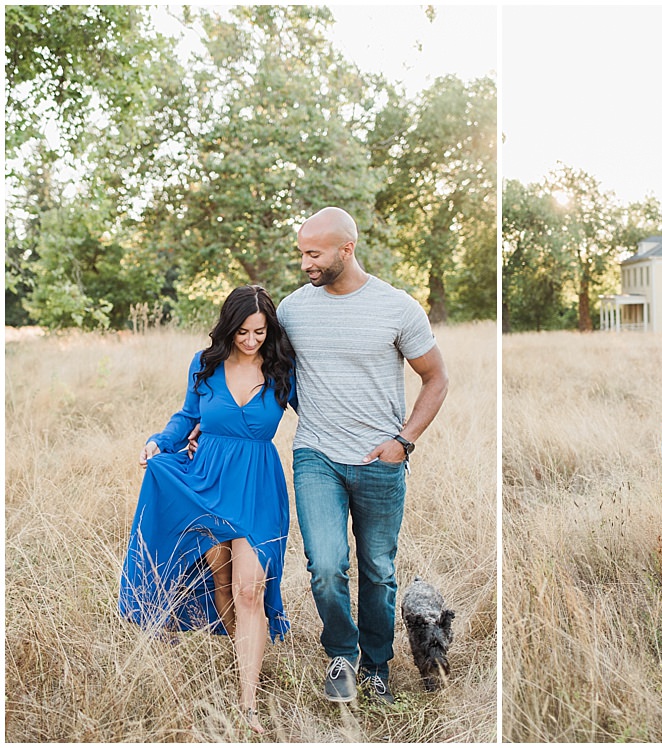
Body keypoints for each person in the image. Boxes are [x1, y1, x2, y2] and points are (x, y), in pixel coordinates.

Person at [277, 206, 448, 705]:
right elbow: (265, 371)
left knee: (378, 569)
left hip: (380, 461)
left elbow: (436, 378)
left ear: (345, 249)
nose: (305, 263)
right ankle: (341, 658)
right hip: (316, 456)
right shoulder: (291, 309)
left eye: (314, 253)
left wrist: (404, 441)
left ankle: (376, 667)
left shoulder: (396, 308)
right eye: (301, 253)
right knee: (326, 566)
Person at [118, 285, 296, 734]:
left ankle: (248, 705)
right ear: (228, 327)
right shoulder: (205, 364)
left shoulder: (282, 368)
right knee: (221, 583)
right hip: (208, 481)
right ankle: (239, 658)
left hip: (257, 486)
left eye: (260, 331)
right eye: (243, 331)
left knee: (250, 588)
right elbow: (186, 416)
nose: (252, 340)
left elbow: (318, 413)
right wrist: (161, 440)